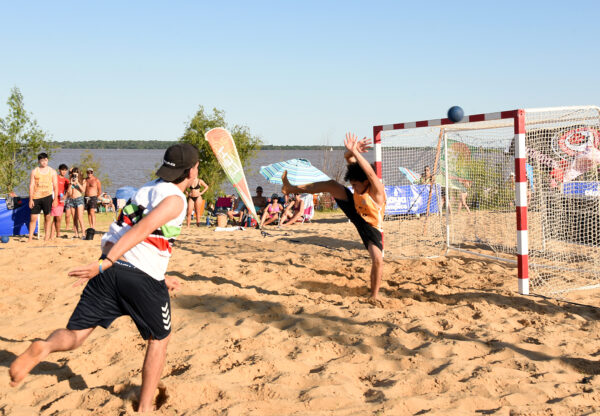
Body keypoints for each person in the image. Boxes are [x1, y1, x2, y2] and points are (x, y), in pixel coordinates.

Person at [9, 143, 199, 413]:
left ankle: (45, 346)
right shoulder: (175, 200)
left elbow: (136, 235)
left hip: (110, 270)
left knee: (75, 335)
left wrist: (122, 265)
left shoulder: (146, 189)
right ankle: (145, 408)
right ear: (191, 171)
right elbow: (143, 230)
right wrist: (108, 263)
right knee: (159, 339)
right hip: (131, 273)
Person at [282, 133, 386, 301]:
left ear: (366, 182)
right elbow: (348, 158)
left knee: (378, 260)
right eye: (351, 185)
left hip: (371, 227)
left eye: (355, 185)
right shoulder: (358, 180)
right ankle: (290, 188)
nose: (353, 188)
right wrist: (351, 150)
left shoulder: (377, 191)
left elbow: (371, 174)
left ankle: (374, 296)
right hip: (355, 210)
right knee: (332, 185)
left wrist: (356, 152)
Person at [28, 153, 59, 242]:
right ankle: (30, 238)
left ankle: (46, 237)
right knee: (33, 218)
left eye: (45, 160)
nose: (44, 162)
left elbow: (55, 186)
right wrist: (30, 199)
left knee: (47, 217)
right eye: (42, 160)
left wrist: (55, 199)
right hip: (36, 197)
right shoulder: (35, 171)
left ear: (47, 160)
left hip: (47, 196)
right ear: (39, 161)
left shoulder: (52, 171)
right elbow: (31, 185)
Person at [50, 164, 70, 239]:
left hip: (61, 200)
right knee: (56, 217)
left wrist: (66, 195)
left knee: (58, 218)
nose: (64, 172)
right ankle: (55, 234)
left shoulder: (66, 180)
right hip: (54, 199)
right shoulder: (55, 177)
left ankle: (55, 234)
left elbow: (69, 190)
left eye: (65, 170)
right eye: (62, 170)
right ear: (59, 170)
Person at [67, 170, 86, 239]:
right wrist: (71, 183)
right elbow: (68, 192)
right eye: (73, 175)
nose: (74, 176)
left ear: (78, 174)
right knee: (74, 218)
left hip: (79, 200)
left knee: (80, 218)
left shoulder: (83, 181)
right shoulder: (70, 181)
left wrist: (77, 182)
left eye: (76, 175)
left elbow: (83, 190)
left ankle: (83, 234)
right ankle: (76, 234)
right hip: (72, 200)